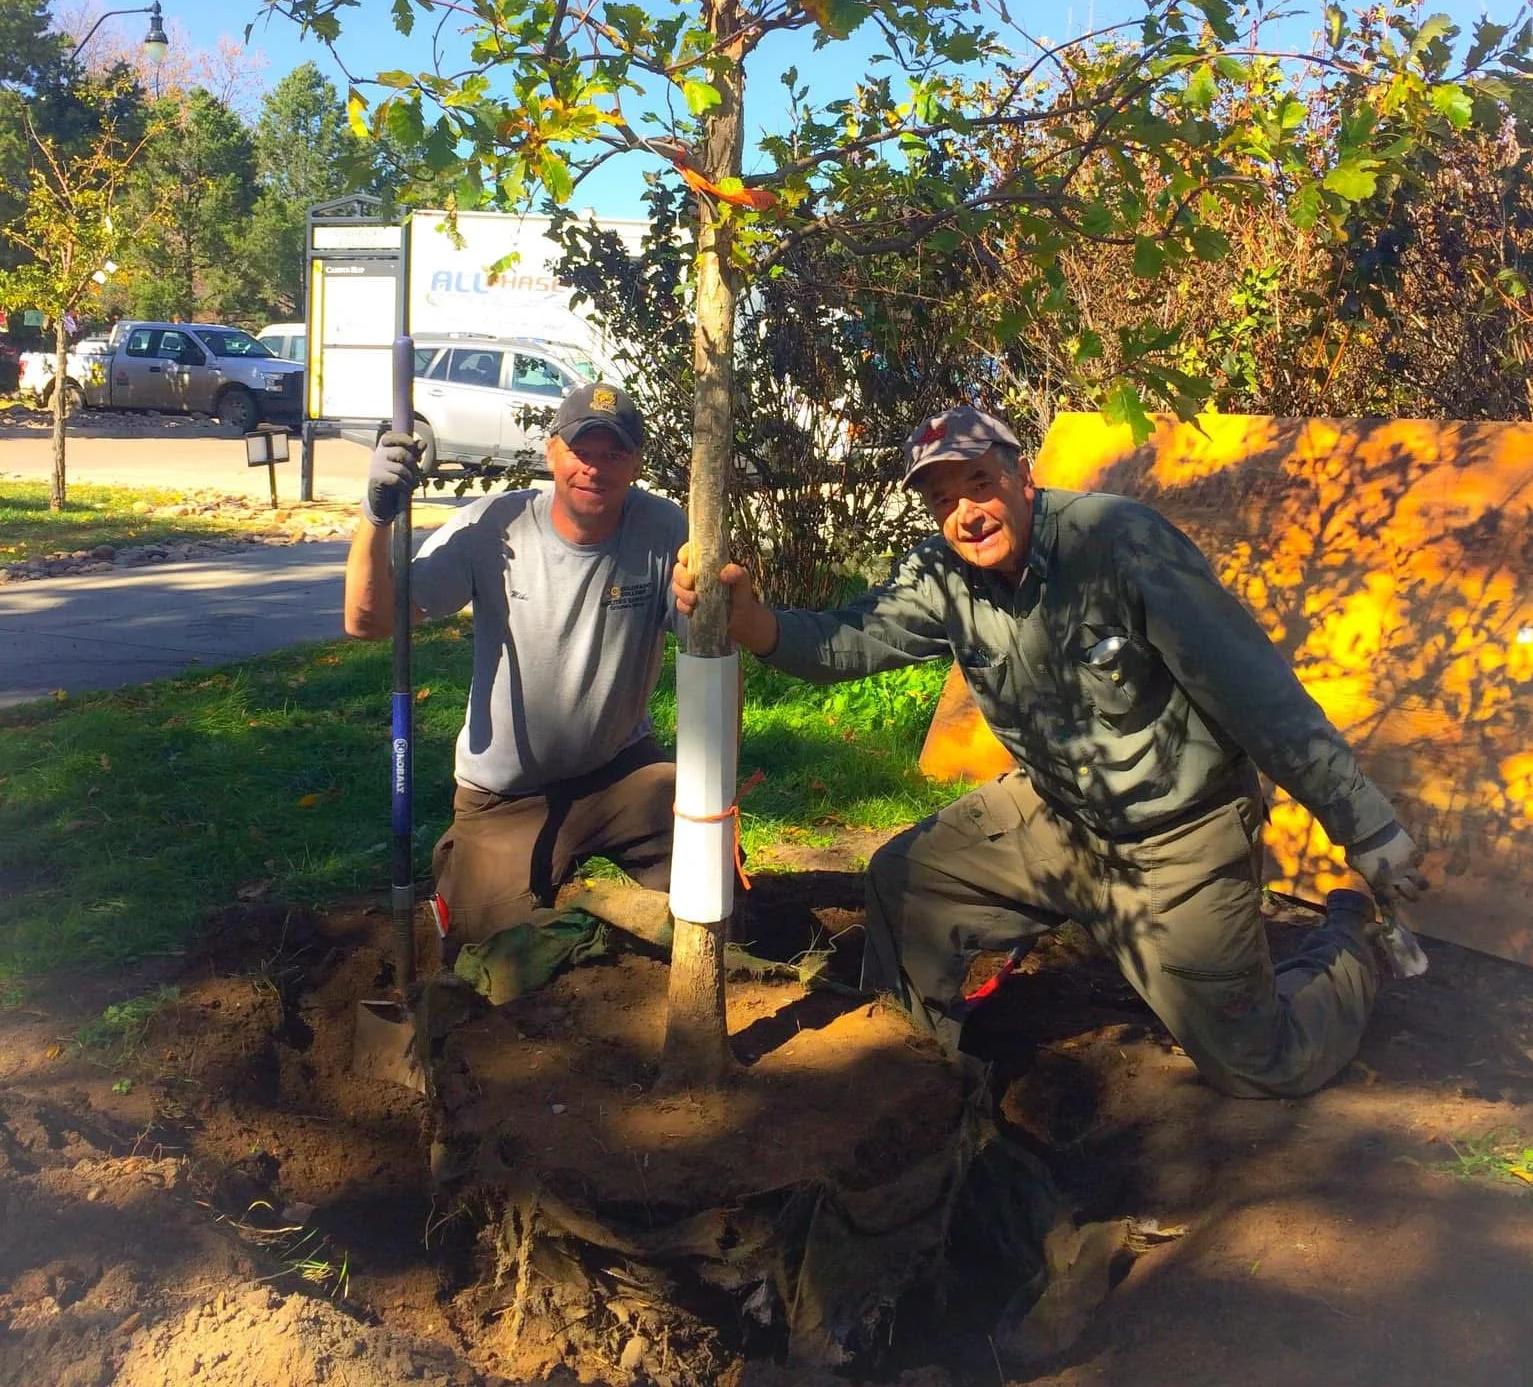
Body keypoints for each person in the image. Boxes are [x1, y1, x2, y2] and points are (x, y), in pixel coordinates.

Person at [673, 405, 1426, 1100]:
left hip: (1178, 838)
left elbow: (1256, 693)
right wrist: (753, 622)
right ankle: (917, 1084)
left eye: (980, 483)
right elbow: (851, 640)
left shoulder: (1119, 544)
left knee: (1262, 1063)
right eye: (942, 500)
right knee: (909, 877)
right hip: (1059, 812)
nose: (966, 514)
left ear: (1022, 475)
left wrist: (1364, 826)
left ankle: (1351, 943)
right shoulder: (942, 576)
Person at [345, 380, 687, 948]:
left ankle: (586, 901)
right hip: (506, 796)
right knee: (491, 954)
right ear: (552, 451)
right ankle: (576, 902)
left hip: (620, 770)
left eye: (615, 455)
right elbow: (367, 622)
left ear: (636, 463)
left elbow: (712, 637)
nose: (595, 469)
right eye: (582, 451)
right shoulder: (492, 527)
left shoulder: (663, 528)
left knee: (717, 895)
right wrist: (375, 518)